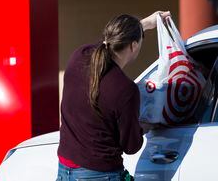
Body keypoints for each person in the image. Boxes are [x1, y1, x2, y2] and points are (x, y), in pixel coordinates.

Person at [56, 11, 170, 181]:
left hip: (64, 169)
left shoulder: (79, 55)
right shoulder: (125, 90)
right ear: (133, 46)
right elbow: (131, 146)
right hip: (100, 174)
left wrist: (144, 24)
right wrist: (144, 125)